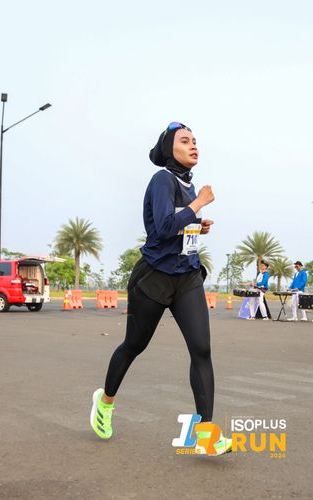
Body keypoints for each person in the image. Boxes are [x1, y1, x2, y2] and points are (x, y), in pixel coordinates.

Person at [89, 122, 231, 456]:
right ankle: (105, 402)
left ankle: (205, 433)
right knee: (134, 345)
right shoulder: (162, 180)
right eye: (185, 141)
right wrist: (198, 206)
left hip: (187, 276)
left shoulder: (187, 185)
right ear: (170, 149)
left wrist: (197, 225)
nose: (193, 145)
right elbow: (164, 228)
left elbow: (177, 226)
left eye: (195, 141)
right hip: (154, 277)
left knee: (202, 349)